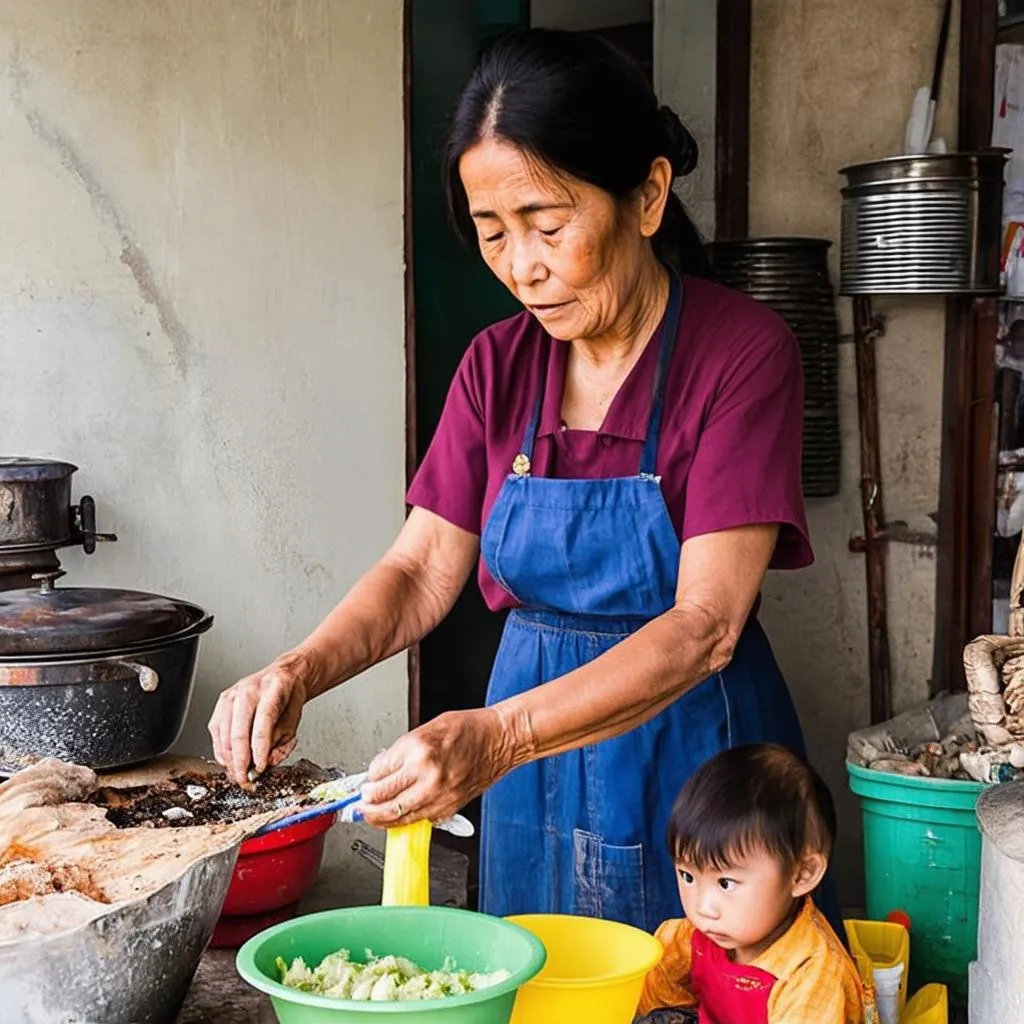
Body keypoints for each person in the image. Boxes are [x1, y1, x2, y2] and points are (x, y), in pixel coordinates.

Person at [208, 27, 842, 936]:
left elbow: (705, 628)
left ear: (648, 196)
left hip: (700, 771)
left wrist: (500, 735)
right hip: (530, 775)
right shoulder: (496, 365)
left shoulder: (743, 354)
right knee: (534, 974)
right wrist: (301, 669)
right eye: (492, 234)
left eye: (548, 226)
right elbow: (424, 567)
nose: (521, 267)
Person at [636, 746, 869, 1024]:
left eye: (725, 883)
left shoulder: (813, 976)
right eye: (688, 876)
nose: (703, 907)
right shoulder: (688, 941)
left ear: (802, 874)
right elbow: (659, 1005)